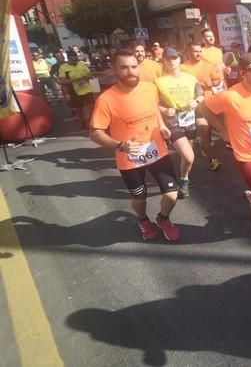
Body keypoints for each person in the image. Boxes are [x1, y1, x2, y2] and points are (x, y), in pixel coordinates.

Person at [89, 50, 181, 242]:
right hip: (130, 159)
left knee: (172, 195)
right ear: (115, 70)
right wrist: (120, 145)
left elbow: (154, 107)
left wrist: (162, 126)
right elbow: (95, 133)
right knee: (140, 198)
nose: (130, 71)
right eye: (124, 67)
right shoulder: (106, 99)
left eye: (133, 66)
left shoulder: (149, 88)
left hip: (157, 151)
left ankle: (163, 218)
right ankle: (143, 219)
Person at [200, 53, 251, 243]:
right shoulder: (230, 96)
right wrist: (222, 130)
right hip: (247, 157)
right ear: (243, 73)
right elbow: (204, 108)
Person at [154, 47, 203, 199]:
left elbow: (201, 95)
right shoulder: (159, 82)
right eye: (168, 59)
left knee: (188, 155)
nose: (172, 61)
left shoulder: (190, 78)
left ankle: (184, 176)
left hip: (189, 120)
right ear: (164, 62)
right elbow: (153, 103)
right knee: (189, 156)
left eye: (174, 58)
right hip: (173, 122)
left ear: (179, 59)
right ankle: (183, 181)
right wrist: (163, 109)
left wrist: (196, 102)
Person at [181, 43, 224, 171]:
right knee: (204, 130)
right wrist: (197, 84)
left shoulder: (208, 66)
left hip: (210, 102)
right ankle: (212, 159)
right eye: (195, 51)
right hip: (194, 105)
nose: (198, 53)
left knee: (209, 129)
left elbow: (217, 81)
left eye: (200, 51)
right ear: (188, 52)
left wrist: (212, 83)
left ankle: (205, 147)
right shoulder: (183, 68)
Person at [57, 50, 94, 128]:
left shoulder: (81, 64)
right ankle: (82, 122)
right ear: (69, 59)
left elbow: (90, 74)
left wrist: (86, 77)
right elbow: (62, 80)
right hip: (74, 91)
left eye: (76, 59)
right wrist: (74, 80)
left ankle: (93, 122)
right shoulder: (63, 67)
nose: (75, 61)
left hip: (87, 89)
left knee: (92, 106)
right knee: (79, 109)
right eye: (73, 60)